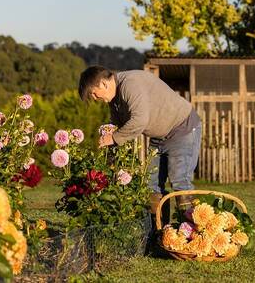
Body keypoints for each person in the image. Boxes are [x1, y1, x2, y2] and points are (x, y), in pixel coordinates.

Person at [78, 66, 201, 214]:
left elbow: (139, 121)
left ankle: (189, 231)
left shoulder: (130, 84)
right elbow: (119, 124)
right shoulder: (114, 99)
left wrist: (114, 137)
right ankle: (159, 231)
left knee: (180, 181)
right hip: (159, 136)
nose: (96, 99)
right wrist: (110, 146)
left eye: (95, 95)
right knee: (151, 185)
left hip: (182, 128)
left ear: (104, 84)